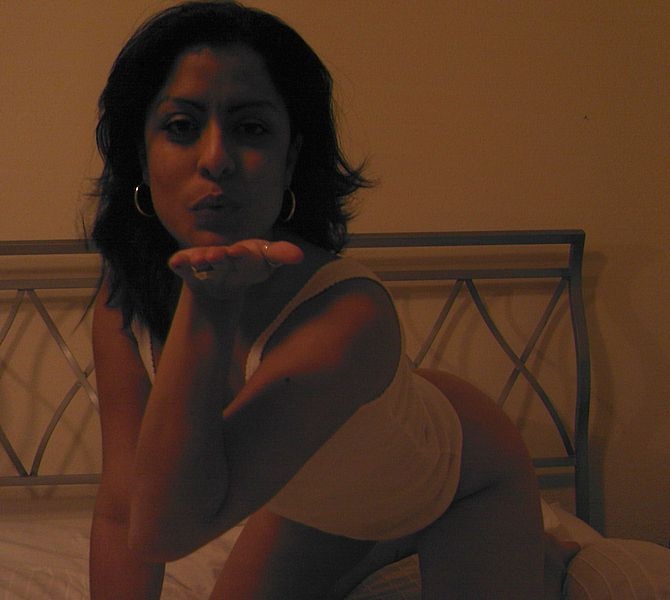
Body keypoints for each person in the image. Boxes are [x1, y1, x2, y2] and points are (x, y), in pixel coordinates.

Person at [89, 2, 547, 598]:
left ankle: (545, 553)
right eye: (181, 126)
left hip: (458, 484)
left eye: (252, 128)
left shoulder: (347, 315)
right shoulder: (125, 301)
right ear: (141, 155)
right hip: (327, 503)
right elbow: (123, 513)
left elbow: (166, 531)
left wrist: (210, 305)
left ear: (291, 158)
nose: (215, 158)